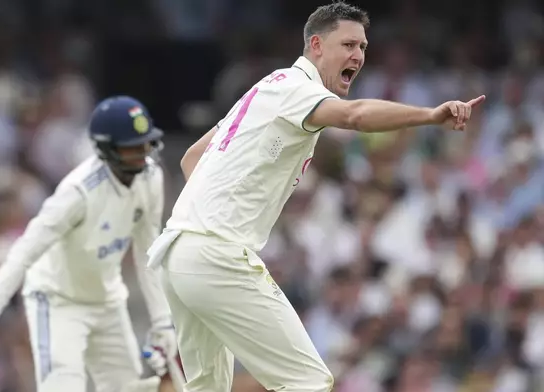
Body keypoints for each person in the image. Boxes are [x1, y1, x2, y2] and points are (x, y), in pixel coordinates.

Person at [145, 2, 485, 392]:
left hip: (179, 254)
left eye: (363, 47)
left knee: (207, 387)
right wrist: (429, 116)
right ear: (317, 45)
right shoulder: (297, 89)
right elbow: (355, 116)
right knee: (307, 381)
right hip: (215, 255)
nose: (358, 55)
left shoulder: (267, 87)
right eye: (349, 44)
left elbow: (192, 159)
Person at [0, 96, 177, 392]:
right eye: (134, 148)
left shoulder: (150, 179)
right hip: (57, 300)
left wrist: (162, 321)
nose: (144, 155)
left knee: (128, 387)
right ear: (107, 149)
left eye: (146, 144)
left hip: (106, 298)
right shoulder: (77, 193)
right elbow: (23, 254)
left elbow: (146, 254)